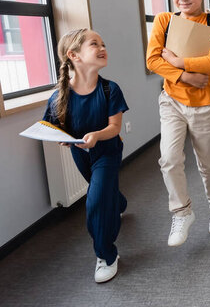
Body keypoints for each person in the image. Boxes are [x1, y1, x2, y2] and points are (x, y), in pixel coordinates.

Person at [146, 0, 210, 247]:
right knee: (168, 159)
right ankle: (182, 212)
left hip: (205, 104)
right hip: (172, 101)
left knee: (208, 165)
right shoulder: (164, 20)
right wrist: (185, 76)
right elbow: (153, 59)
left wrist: (178, 60)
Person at [43, 29, 129, 283]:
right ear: (74, 55)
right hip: (81, 155)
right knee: (102, 191)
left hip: (108, 150)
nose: (102, 47)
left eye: (103, 43)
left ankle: (107, 255)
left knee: (95, 201)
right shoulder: (59, 96)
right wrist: (60, 137)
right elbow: (51, 127)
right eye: (94, 44)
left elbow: (114, 128)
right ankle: (119, 203)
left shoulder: (110, 90)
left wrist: (95, 136)